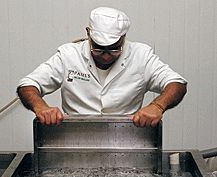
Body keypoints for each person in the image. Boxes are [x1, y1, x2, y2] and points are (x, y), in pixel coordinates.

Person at [17, 7, 187, 127]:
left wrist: (157, 106)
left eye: (114, 49)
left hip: (128, 139)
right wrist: (41, 107)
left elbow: (177, 83)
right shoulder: (68, 55)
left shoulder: (141, 55)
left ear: (124, 37)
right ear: (88, 33)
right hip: (74, 139)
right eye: (98, 49)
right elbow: (28, 85)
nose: (106, 55)